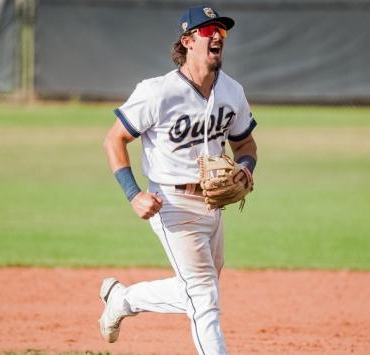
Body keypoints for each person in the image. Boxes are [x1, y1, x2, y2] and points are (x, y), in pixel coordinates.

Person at [100, 5, 257, 354]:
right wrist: (133, 194)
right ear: (187, 40)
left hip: (214, 204)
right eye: (207, 30)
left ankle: (122, 300)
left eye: (221, 30)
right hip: (171, 204)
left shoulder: (232, 92)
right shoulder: (158, 92)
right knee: (204, 299)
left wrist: (246, 167)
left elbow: (245, 143)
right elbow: (114, 139)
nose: (216, 35)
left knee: (200, 289)